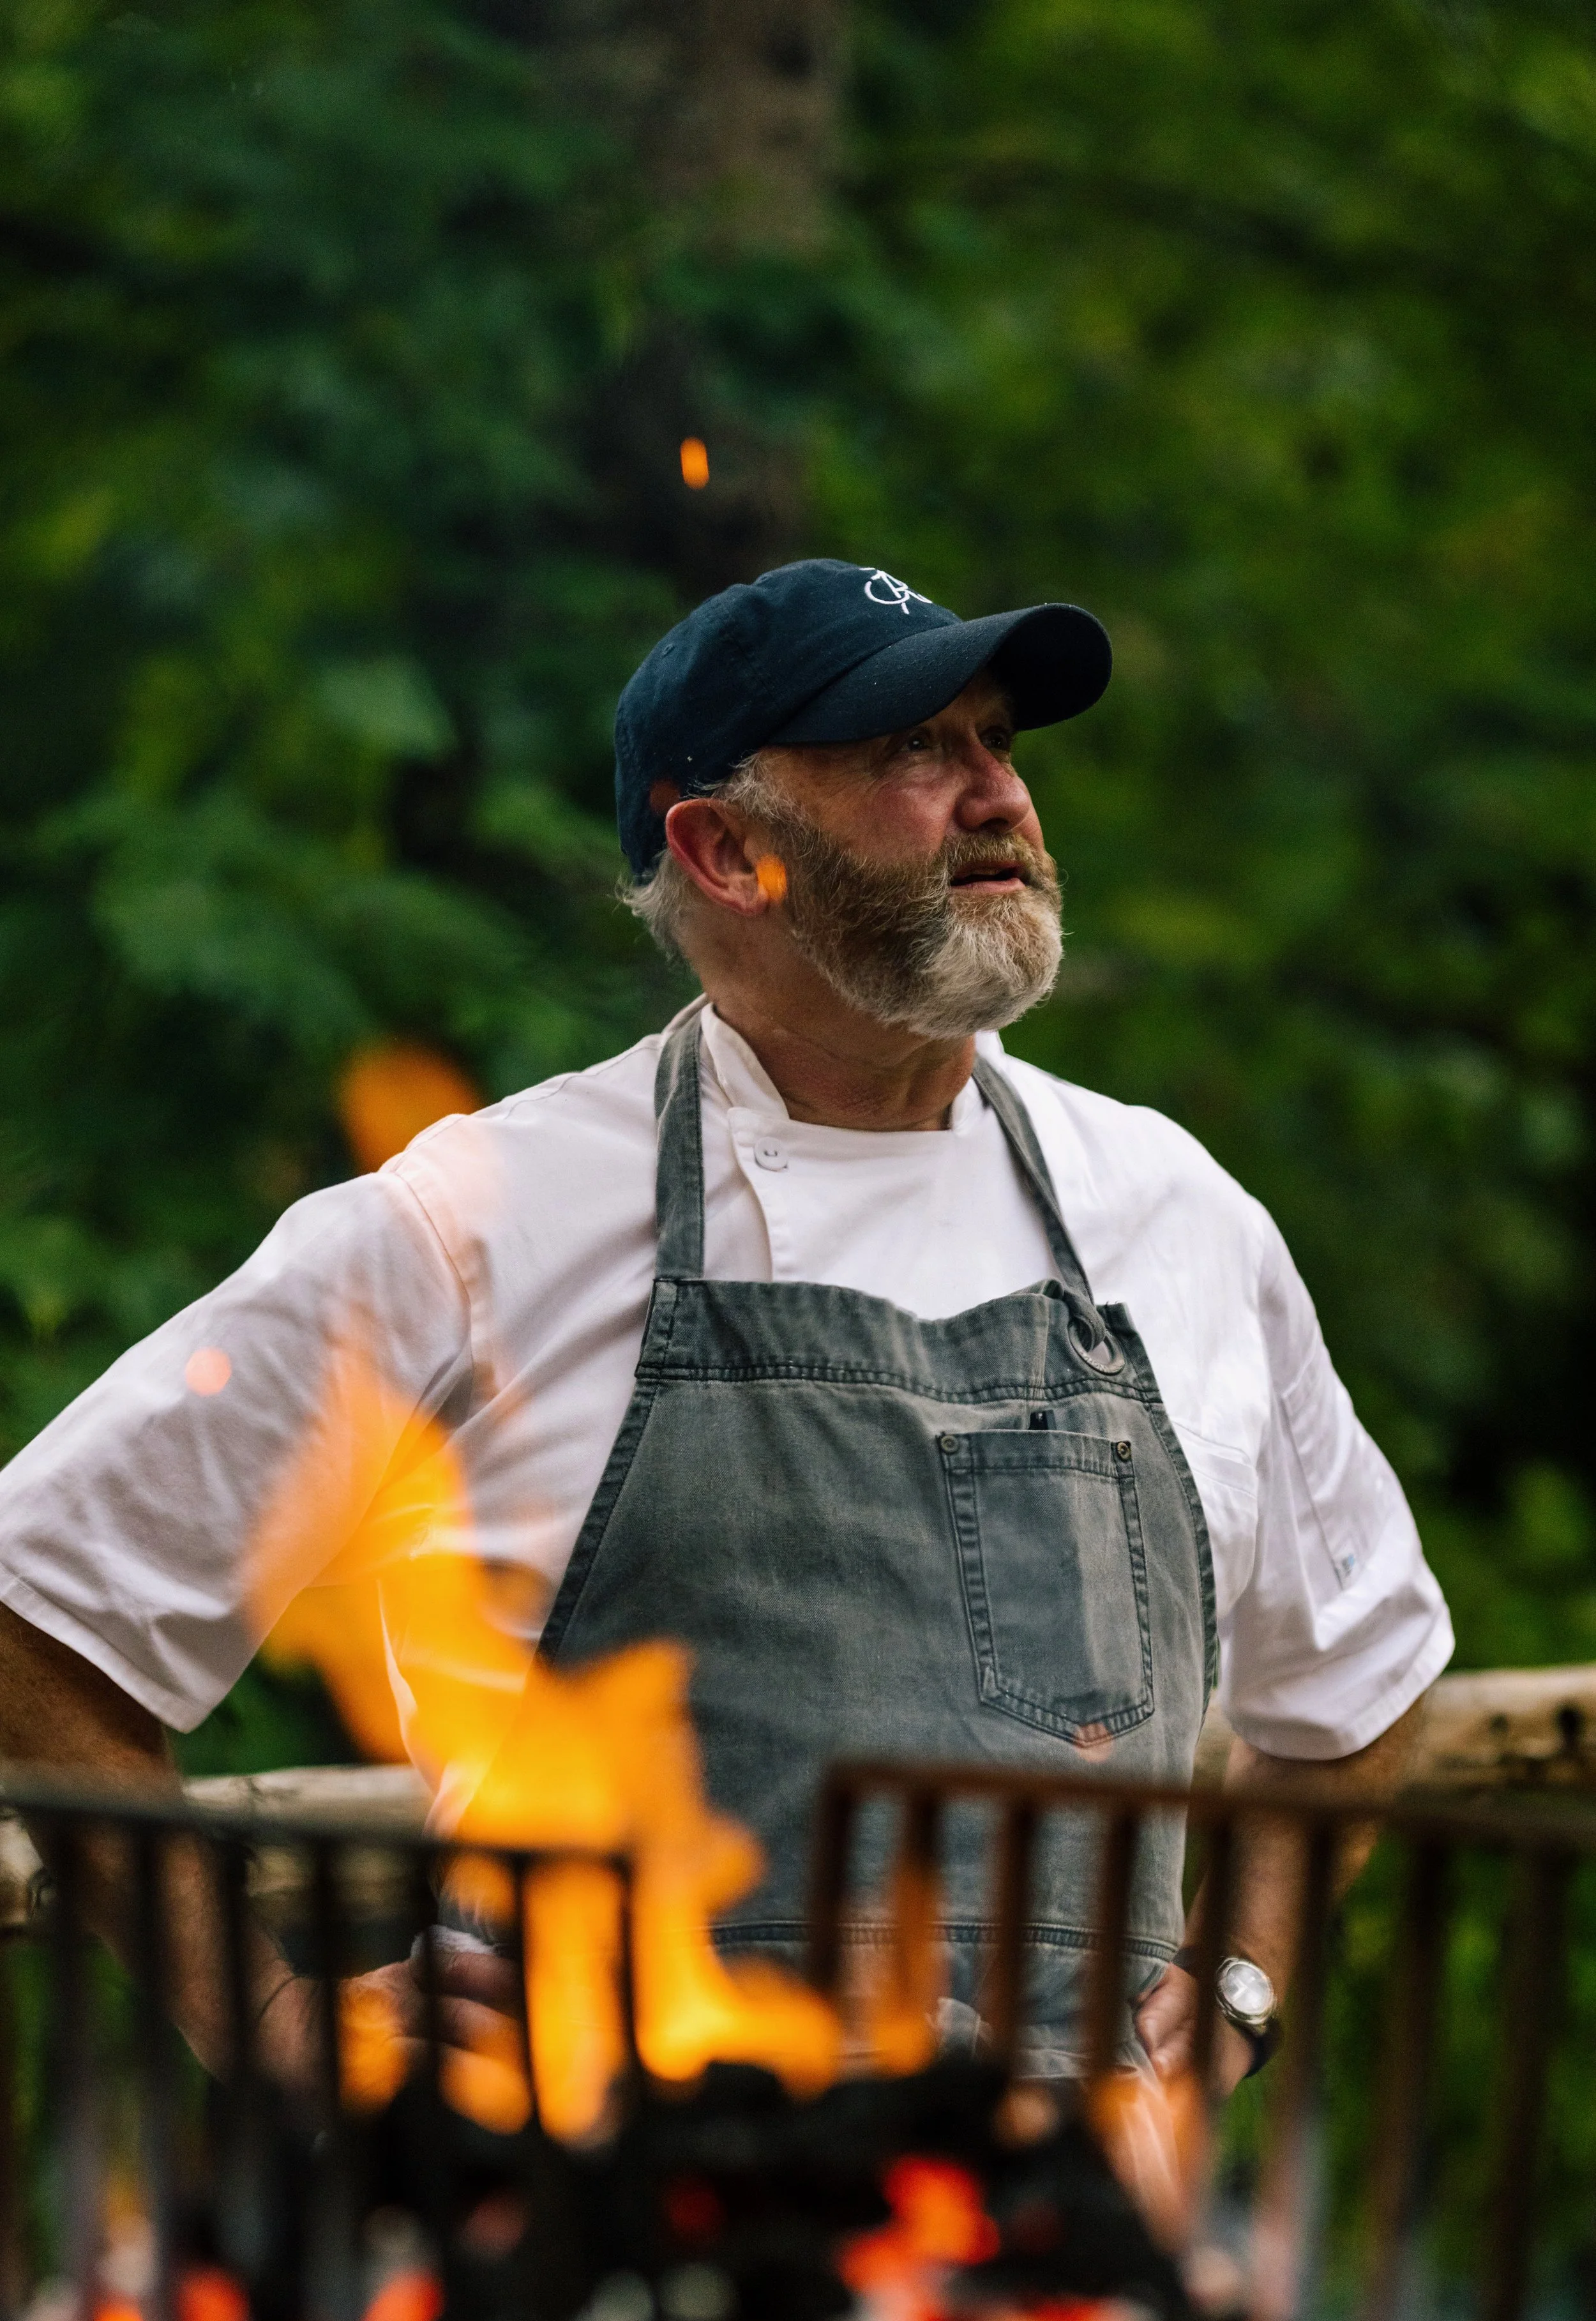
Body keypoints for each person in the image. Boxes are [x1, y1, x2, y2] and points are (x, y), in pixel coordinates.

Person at [0, 559, 1450, 2092]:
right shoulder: (476, 1225)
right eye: (912, 750)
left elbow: (1361, 1679)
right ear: (722, 847)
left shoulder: (1173, 1214)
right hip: (592, 2263)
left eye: (997, 742)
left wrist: (1227, 1998)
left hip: (1044, 2297)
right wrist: (287, 2035)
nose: (994, 798)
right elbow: (37, 1617)